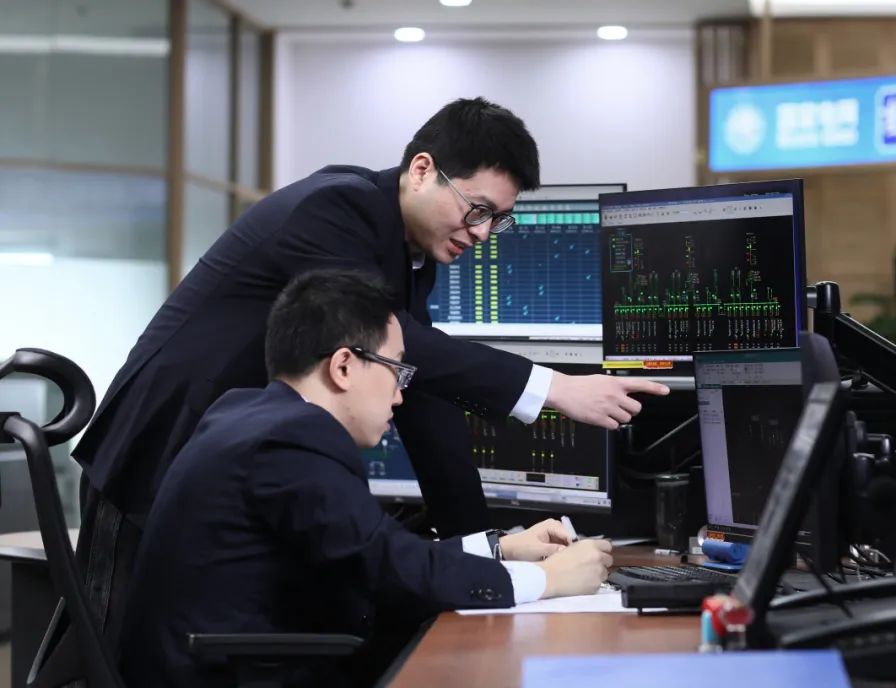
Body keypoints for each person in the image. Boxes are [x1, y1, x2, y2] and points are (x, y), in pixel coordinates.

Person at [72, 96, 667, 647]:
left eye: (498, 219)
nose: (483, 233)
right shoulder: (337, 208)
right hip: (159, 449)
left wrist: (488, 547)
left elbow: (422, 387)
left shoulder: (406, 251)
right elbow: (412, 350)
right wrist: (554, 386)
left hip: (229, 467)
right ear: (422, 170)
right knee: (119, 650)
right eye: (478, 209)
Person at [119, 268, 614, 687]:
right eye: (397, 370)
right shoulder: (291, 441)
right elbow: (388, 570)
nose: (400, 395)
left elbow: (370, 554)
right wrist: (549, 579)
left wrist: (499, 549)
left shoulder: (247, 414)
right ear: (343, 366)